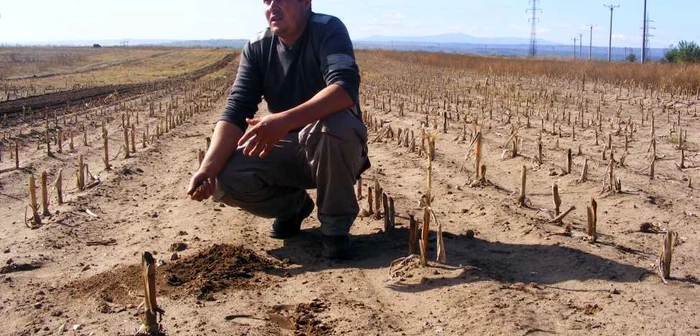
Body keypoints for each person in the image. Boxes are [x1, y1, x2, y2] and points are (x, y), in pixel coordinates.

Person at [187, 0, 368, 260]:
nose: (273, 6)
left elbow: (344, 88)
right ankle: (293, 207)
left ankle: (335, 229)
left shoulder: (328, 29)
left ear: (306, 2)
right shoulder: (257, 47)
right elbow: (237, 110)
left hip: (333, 147)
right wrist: (207, 169)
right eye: (267, 0)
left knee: (334, 126)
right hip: (288, 149)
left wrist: (283, 121)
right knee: (225, 175)